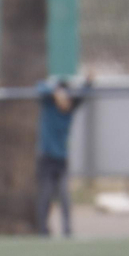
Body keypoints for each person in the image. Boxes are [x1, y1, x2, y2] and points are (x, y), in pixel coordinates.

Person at [35, 74, 86, 238]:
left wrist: (89, 81)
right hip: (46, 157)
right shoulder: (49, 105)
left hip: (62, 159)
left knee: (64, 195)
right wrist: (55, 91)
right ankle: (43, 230)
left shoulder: (70, 110)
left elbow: (84, 94)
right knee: (46, 195)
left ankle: (67, 230)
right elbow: (39, 86)